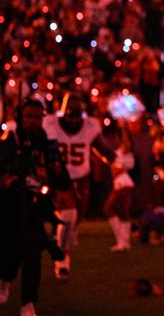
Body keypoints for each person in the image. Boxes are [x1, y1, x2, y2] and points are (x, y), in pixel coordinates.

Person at [0, 98, 70, 316]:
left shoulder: (48, 145)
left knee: (32, 254)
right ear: (21, 117)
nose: (33, 121)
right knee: (10, 253)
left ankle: (28, 302)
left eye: (38, 117)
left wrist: (57, 172)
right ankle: (5, 278)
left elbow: (63, 180)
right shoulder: (8, 143)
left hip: (35, 208)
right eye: (29, 116)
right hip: (9, 207)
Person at [42, 90, 115, 280]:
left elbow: (102, 148)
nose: (73, 121)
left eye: (76, 116)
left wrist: (116, 162)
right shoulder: (50, 124)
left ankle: (62, 246)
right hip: (59, 178)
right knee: (68, 215)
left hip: (82, 179)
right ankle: (62, 260)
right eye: (70, 116)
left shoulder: (90, 126)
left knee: (73, 220)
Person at [104, 123, 135, 251]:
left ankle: (121, 240)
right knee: (123, 213)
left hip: (125, 184)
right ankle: (124, 242)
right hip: (119, 184)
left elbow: (126, 143)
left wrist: (123, 127)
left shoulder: (127, 152)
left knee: (108, 209)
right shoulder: (117, 152)